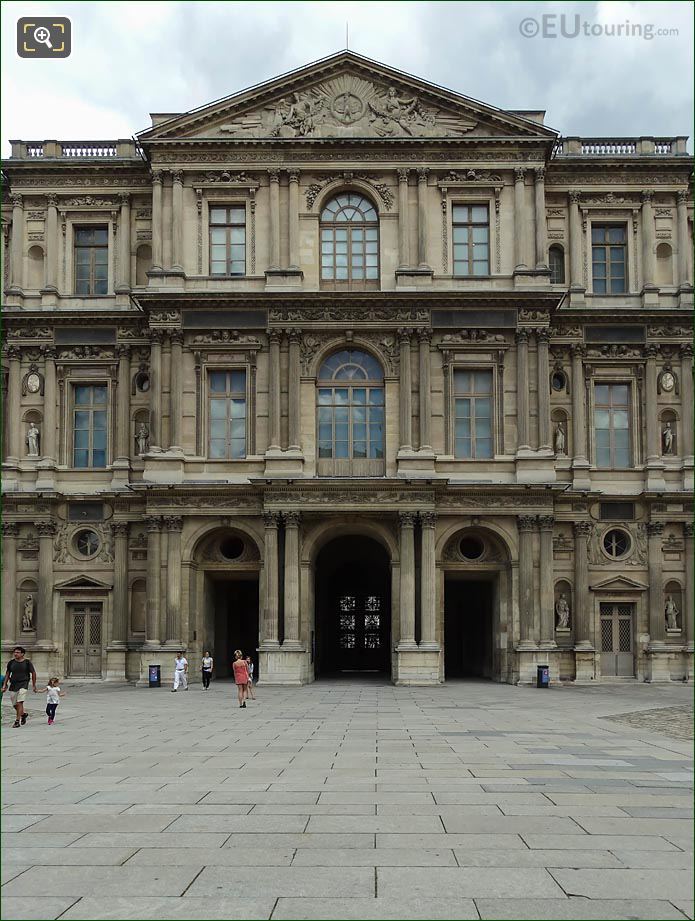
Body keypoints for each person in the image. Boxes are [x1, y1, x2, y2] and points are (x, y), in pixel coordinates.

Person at [2, 647, 37, 728]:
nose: (15, 654)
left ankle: (17, 721)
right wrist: (4, 685)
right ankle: (23, 714)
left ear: (22, 654)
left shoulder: (27, 662)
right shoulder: (11, 662)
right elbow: (7, 673)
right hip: (13, 684)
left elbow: (33, 673)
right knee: (14, 705)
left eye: (17, 652)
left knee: (19, 702)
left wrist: (34, 685)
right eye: (15, 652)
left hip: (24, 683)